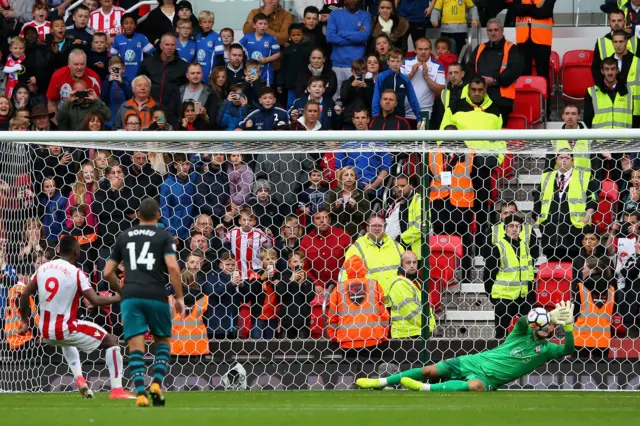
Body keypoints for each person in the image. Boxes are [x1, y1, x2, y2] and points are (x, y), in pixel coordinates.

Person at [356, 301, 575, 392]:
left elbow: (567, 349)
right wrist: (548, 314)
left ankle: (425, 389)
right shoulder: (521, 333)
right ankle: (380, 381)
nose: (548, 328)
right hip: (474, 361)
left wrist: (568, 327)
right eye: (546, 324)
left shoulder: (547, 349)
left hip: (489, 379)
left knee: (475, 387)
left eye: (551, 327)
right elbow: (521, 321)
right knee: (429, 370)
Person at [18, 235, 132, 399]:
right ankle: (117, 390)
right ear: (76, 251)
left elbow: (25, 293)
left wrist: (24, 320)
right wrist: (121, 296)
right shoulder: (76, 273)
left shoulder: (42, 268)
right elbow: (96, 300)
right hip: (65, 328)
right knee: (111, 341)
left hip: (45, 332)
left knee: (67, 340)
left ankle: (79, 378)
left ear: (58, 250)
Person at [103, 198, 184, 407]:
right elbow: (173, 268)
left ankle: (140, 393)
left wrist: (122, 290)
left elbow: (107, 272)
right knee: (162, 341)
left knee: (135, 344)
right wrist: (179, 297)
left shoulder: (124, 236)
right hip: (156, 294)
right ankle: (156, 384)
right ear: (158, 215)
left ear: (138, 215)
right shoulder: (164, 236)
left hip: (132, 296)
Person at [533, 152, 599, 262]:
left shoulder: (584, 176)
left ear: (572, 160)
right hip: (550, 229)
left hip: (574, 228)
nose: (564, 160)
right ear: (556, 160)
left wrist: (587, 216)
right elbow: (538, 199)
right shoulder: (547, 176)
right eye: (561, 157)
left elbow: (592, 197)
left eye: (567, 158)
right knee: (553, 264)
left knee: (573, 263)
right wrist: (539, 219)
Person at [484, 214, 538, 339]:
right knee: (501, 335)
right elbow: (488, 274)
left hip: (523, 296)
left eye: (518, 226)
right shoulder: (498, 247)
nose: (515, 229)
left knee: (528, 334)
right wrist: (491, 295)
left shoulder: (525, 247)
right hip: (504, 297)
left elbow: (529, 271)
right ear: (505, 228)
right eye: (511, 226)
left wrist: (530, 293)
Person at [466, 18, 523, 124]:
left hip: (501, 99)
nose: (493, 33)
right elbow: (469, 68)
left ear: (502, 31)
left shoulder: (511, 48)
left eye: (496, 30)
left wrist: (494, 80)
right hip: (479, 97)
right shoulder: (480, 48)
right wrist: (479, 82)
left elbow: (514, 70)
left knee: (497, 134)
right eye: (490, 30)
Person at [326, 255, 389, 349]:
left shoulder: (339, 289)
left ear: (347, 270)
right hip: (372, 339)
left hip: (347, 341)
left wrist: (335, 337)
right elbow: (384, 314)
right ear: (364, 267)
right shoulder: (375, 285)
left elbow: (332, 317)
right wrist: (383, 334)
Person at [343, 215, 405, 294]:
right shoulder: (356, 249)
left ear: (385, 228)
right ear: (367, 228)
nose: (377, 228)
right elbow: (347, 276)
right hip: (371, 301)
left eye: (380, 226)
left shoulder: (396, 246)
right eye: (374, 225)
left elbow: (407, 271)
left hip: (397, 301)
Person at [299, 209, 352, 291]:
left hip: (343, 285)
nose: (321, 221)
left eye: (325, 217)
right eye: (317, 218)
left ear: (329, 220)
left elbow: (352, 261)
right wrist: (315, 283)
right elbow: (304, 267)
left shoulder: (343, 236)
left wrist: (345, 281)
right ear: (313, 222)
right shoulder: (306, 241)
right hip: (319, 289)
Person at [138, 33, 188, 118]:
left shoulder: (183, 66)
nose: (169, 48)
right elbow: (138, 84)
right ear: (161, 46)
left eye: (172, 45)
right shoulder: (147, 63)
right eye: (167, 44)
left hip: (172, 112)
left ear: (176, 46)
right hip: (149, 109)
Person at [386, 251, 435, 338]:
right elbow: (411, 312)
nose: (412, 265)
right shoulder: (399, 284)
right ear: (401, 265)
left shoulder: (415, 283)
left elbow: (426, 308)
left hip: (415, 333)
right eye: (408, 262)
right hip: (406, 335)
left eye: (414, 262)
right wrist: (430, 326)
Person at [326, 0, 372, 93]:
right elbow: (330, 37)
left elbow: (364, 37)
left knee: (357, 97)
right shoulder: (335, 14)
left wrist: (341, 32)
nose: (352, 0)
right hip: (338, 65)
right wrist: (356, 36)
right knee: (337, 100)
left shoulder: (366, 15)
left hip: (358, 67)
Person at [401, 38, 445, 128]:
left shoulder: (437, 66)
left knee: (422, 142)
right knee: (405, 142)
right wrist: (411, 74)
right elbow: (399, 85)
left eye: (426, 49)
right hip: (404, 112)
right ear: (415, 50)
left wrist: (426, 77)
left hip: (424, 114)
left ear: (430, 50)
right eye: (420, 49)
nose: (423, 52)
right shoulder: (405, 62)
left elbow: (441, 91)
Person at [46, 49, 102, 118]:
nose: (79, 67)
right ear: (69, 64)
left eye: (82, 64)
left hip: (85, 119)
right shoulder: (58, 76)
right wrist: (56, 125)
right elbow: (52, 104)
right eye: (76, 64)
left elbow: (97, 105)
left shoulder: (94, 78)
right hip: (63, 118)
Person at [513, 0, 555, 88]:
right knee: (523, 76)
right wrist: (535, 7)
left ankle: (545, 101)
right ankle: (526, 101)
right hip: (523, 41)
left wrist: (525, 9)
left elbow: (546, 12)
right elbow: (516, 9)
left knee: (543, 75)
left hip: (542, 41)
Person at [584, 57, 635, 129]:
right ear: (602, 71)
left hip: (623, 139)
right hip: (601, 139)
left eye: (613, 69)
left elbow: (634, 116)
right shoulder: (591, 92)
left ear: (617, 70)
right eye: (607, 69)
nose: (610, 73)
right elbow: (587, 119)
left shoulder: (629, 91)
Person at [372, 48, 422, 120]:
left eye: (398, 61)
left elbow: (413, 100)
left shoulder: (405, 79)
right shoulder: (381, 77)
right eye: (392, 61)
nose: (395, 64)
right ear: (388, 62)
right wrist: (375, 118)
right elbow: (376, 98)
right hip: (383, 118)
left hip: (400, 117)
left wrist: (419, 118)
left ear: (402, 62)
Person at [383, 175, 422, 260]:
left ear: (411, 185)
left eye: (403, 186)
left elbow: (422, 226)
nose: (399, 189)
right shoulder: (393, 201)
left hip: (410, 251)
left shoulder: (418, 200)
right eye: (396, 187)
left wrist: (400, 239)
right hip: (392, 250)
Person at [592, 9, 638, 80]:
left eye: (619, 20)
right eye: (613, 21)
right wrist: (604, 87)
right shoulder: (601, 42)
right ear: (609, 22)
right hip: (610, 88)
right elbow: (595, 69)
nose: (616, 23)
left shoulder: (635, 41)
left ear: (624, 22)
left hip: (632, 88)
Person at [110, 13, 155, 84]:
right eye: (126, 23)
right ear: (122, 26)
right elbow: (113, 59)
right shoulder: (117, 39)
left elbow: (153, 53)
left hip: (138, 76)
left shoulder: (141, 37)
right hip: (122, 77)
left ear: (135, 25)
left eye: (132, 23)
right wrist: (116, 75)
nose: (129, 26)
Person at [239, 13, 281, 87]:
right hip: (251, 70)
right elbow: (238, 50)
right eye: (260, 23)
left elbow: (277, 54)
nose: (263, 26)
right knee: (251, 91)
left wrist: (267, 59)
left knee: (264, 93)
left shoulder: (271, 38)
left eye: (265, 24)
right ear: (254, 25)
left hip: (265, 72)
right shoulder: (247, 37)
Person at [195, 10, 223, 83]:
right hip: (197, 73)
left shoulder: (216, 37)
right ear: (200, 24)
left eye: (209, 22)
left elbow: (220, 57)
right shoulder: (197, 37)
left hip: (210, 74)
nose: (207, 24)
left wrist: (216, 73)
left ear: (213, 23)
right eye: (205, 22)